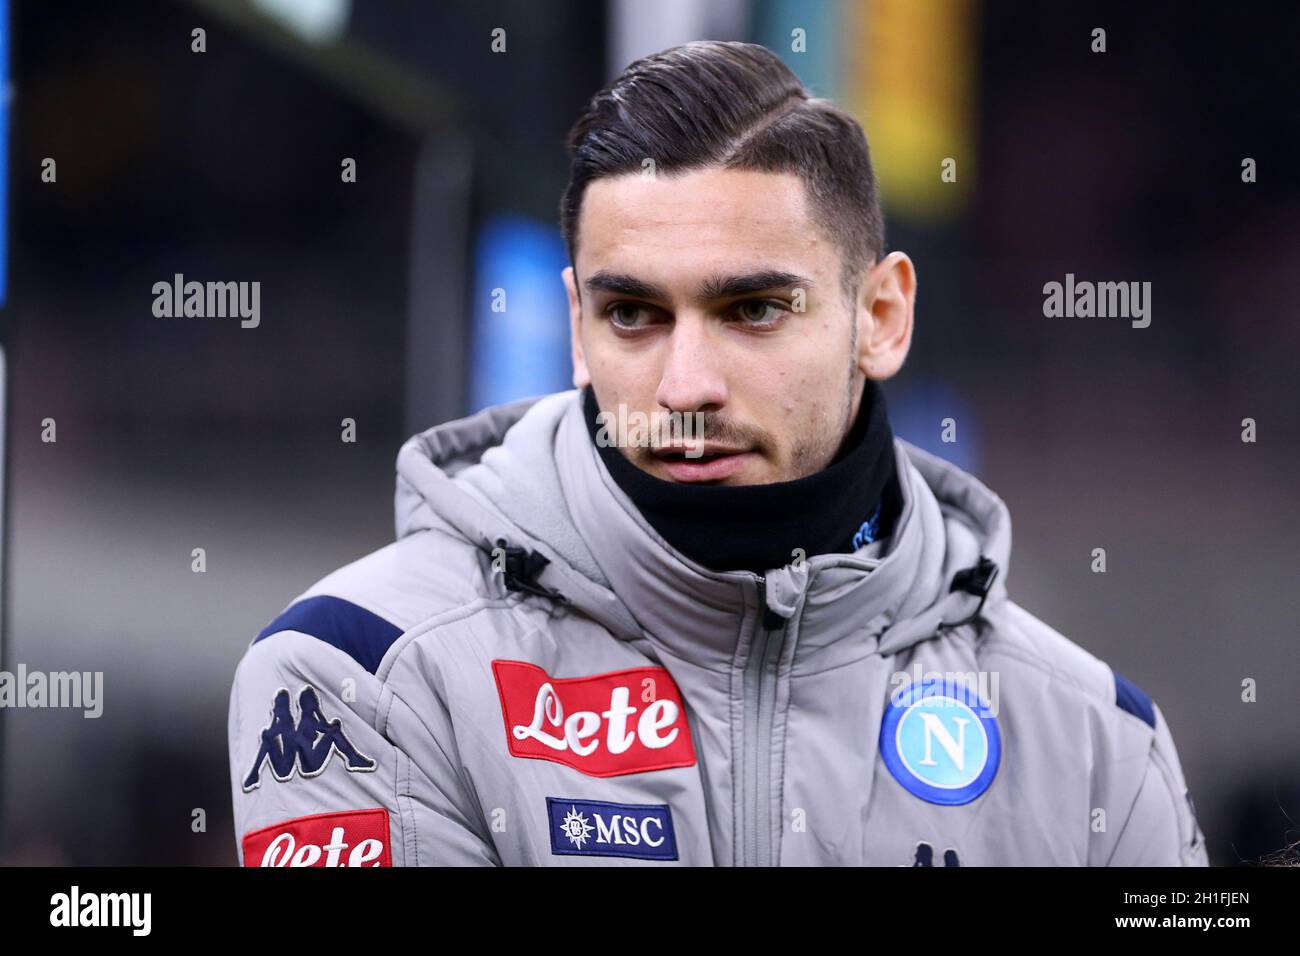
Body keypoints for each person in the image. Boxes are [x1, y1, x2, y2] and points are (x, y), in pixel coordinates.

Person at [228, 40, 1207, 866]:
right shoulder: (364, 667)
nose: (684, 383)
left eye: (751, 309)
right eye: (633, 314)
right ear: (577, 326)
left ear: (881, 315)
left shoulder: (1096, 743)